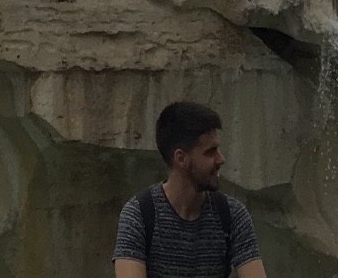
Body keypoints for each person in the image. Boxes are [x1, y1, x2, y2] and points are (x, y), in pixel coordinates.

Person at [113, 103, 266, 278]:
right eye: (210, 152)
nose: (221, 159)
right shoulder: (139, 215)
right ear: (181, 158)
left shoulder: (231, 215)